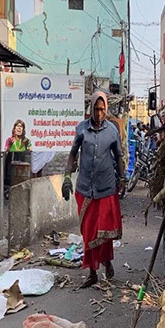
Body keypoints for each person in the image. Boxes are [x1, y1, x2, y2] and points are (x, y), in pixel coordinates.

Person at [62, 91, 126, 288]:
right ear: (91, 109)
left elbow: (119, 156)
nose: (99, 114)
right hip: (85, 188)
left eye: (102, 109)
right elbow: (73, 154)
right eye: (96, 109)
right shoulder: (81, 129)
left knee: (104, 231)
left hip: (106, 188)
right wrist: (66, 177)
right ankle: (92, 272)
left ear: (106, 109)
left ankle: (106, 262)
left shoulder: (112, 131)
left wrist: (122, 179)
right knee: (88, 232)